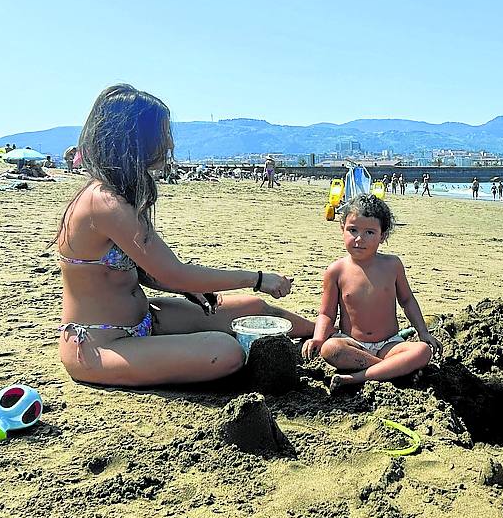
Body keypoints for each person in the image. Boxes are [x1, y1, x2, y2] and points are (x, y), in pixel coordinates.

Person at [54, 84, 313, 387]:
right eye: (161, 133)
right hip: (102, 344)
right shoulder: (104, 202)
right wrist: (257, 279)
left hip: (146, 321)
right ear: (135, 140)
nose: (169, 143)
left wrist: (188, 288)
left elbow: (147, 271)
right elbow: (174, 272)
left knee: (253, 309)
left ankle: (325, 332)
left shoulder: (118, 196)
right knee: (225, 350)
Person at [302, 194, 439, 390]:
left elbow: (407, 300)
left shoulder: (392, 265)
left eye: (369, 232)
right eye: (353, 230)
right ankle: (392, 371)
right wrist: (318, 337)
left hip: (389, 345)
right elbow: (326, 313)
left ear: (382, 236)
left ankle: (356, 378)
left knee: (423, 351)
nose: (359, 238)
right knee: (330, 349)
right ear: (342, 229)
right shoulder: (336, 271)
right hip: (353, 346)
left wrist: (423, 332)